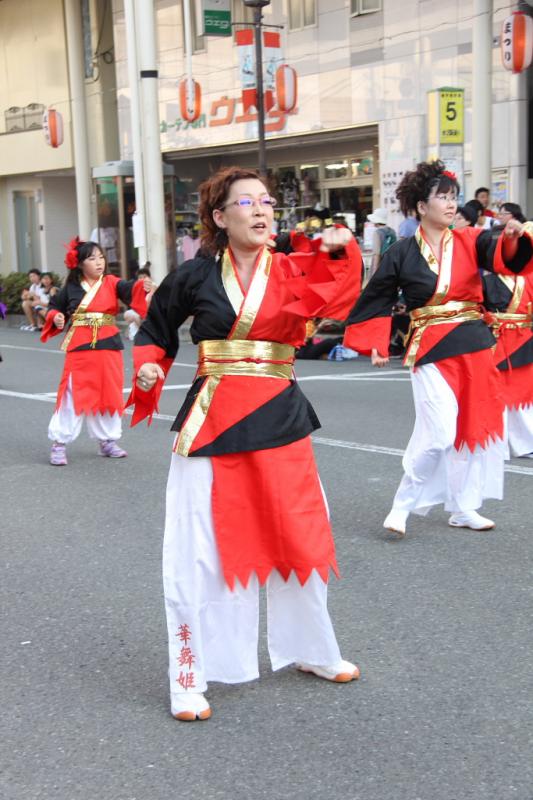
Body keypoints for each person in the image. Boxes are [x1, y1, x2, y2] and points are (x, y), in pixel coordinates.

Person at [128, 166, 363, 722]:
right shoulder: (193, 276)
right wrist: (147, 371)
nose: (261, 211)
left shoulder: (292, 268)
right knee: (198, 551)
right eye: (246, 203)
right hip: (213, 422)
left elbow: (338, 298)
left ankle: (313, 651)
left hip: (281, 416)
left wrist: (336, 249)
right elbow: (155, 332)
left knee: (300, 536)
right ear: (218, 217)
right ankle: (189, 674)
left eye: (266, 202)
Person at [343, 160, 533, 537]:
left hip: (476, 343)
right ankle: (402, 505)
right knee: (439, 433)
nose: (450, 204)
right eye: (441, 197)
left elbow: (507, 258)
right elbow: (377, 295)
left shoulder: (470, 239)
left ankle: (464, 507)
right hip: (430, 346)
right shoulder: (400, 251)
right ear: (419, 207)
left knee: (473, 427)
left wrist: (512, 237)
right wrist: (377, 343)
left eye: (453, 197)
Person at [41, 238, 150, 466]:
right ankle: (59, 443)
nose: (99, 262)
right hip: (80, 346)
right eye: (92, 258)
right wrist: (56, 316)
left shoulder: (111, 282)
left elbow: (130, 289)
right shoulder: (70, 288)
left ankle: (107, 440)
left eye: (101, 257)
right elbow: (53, 307)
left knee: (108, 393)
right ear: (79, 263)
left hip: (108, 345)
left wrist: (143, 286)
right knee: (72, 393)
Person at [482, 204, 533, 459]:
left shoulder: (528, 276)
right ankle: (495, 443)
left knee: (524, 395)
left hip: (523, 339)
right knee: (495, 395)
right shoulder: (484, 280)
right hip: (494, 340)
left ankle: (527, 443)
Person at [123, 265, 155, 340]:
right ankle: (139, 332)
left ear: (149, 278)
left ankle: (144, 333)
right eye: (140, 278)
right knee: (129, 314)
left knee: (136, 317)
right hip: (138, 313)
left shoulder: (153, 287)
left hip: (148, 314)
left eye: (144, 277)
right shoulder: (136, 288)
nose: (142, 280)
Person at [367, 208, 397, 277]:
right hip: (391, 265)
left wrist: (374, 272)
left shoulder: (377, 233)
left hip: (381, 266)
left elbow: (377, 254)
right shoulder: (392, 231)